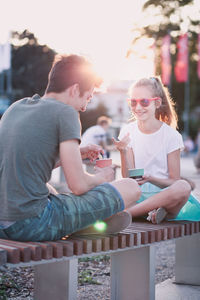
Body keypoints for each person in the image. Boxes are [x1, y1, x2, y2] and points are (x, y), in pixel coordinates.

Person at [0, 54, 141, 242]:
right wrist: (102, 178)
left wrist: (76, 154)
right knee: (131, 187)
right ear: (75, 89)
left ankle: (82, 223)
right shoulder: (66, 112)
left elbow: (25, 165)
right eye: (88, 98)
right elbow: (78, 186)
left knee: (47, 188)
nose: (84, 108)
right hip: (32, 224)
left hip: (3, 223)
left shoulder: (16, 107)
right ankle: (84, 222)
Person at [113, 76, 200, 224]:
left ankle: (127, 214)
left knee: (183, 187)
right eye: (133, 102)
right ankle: (153, 212)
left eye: (144, 102)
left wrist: (152, 179)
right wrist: (123, 151)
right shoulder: (128, 131)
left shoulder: (171, 135)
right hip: (137, 194)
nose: (138, 107)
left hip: (164, 194)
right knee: (112, 187)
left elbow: (174, 181)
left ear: (157, 103)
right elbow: (128, 177)